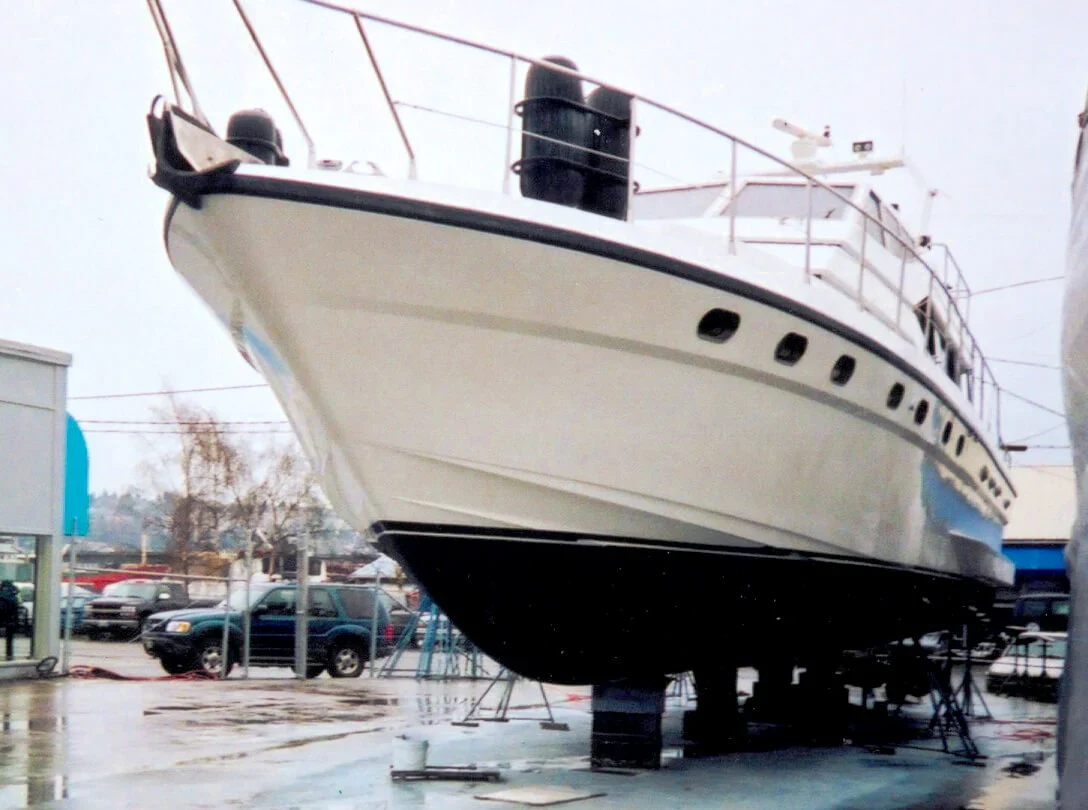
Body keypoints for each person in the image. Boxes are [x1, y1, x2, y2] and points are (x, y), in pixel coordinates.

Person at [0, 579, 19, 660]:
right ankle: (9, 654)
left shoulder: (1, 595)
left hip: (2, 619)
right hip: (11, 620)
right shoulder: (13, 595)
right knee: (9, 639)